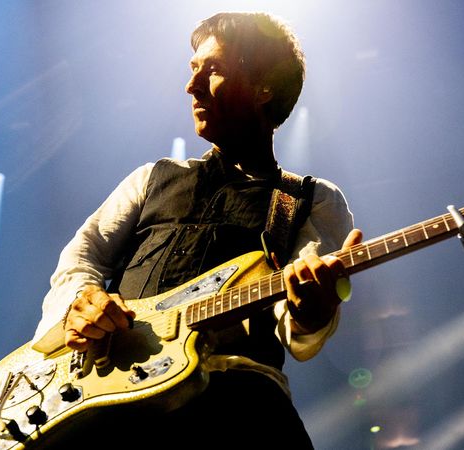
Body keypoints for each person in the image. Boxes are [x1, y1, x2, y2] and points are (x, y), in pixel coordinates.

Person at [32, 11, 362, 448]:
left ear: (264, 88)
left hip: (233, 413)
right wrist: (81, 302)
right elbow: (83, 255)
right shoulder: (151, 177)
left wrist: (311, 310)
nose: (191, 87)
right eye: (193, 71)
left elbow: (297, 325)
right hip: (104, 405)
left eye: (214, 71)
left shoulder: (310, 199)